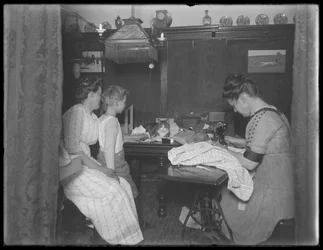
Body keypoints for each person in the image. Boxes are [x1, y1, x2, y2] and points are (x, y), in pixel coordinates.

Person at [60, 77, 143, 245]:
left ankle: (124, 234)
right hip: (71, 166)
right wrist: (101, 169)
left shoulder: (92, 117)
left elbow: (108, 133)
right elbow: (73, 148)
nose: (101, 98)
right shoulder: (77, 111)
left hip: (85, 162)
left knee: (124, 185)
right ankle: (104, 237)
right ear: (90, 94)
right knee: (113, 190)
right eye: (99, 94)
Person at [218, 73, 294, 245]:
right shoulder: (274, 111)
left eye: (234, 105)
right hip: (287, 186)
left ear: (243, 98)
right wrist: (238, 141)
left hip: (273, 194)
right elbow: (270, 142)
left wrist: (222, 150)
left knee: (226, 193)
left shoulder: (259, 120)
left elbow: (249, 162)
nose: (236, 110)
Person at [97, 85, 138, 198]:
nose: (125, 105)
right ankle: (132, 214)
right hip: (115, 162)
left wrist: (137, 137)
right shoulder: (112, 123)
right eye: (124, 102)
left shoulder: (103, 119)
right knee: (132, 193)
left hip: (102, 159)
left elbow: (114, 140)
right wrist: (112, 173)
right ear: (117, 102)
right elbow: (109, 150)